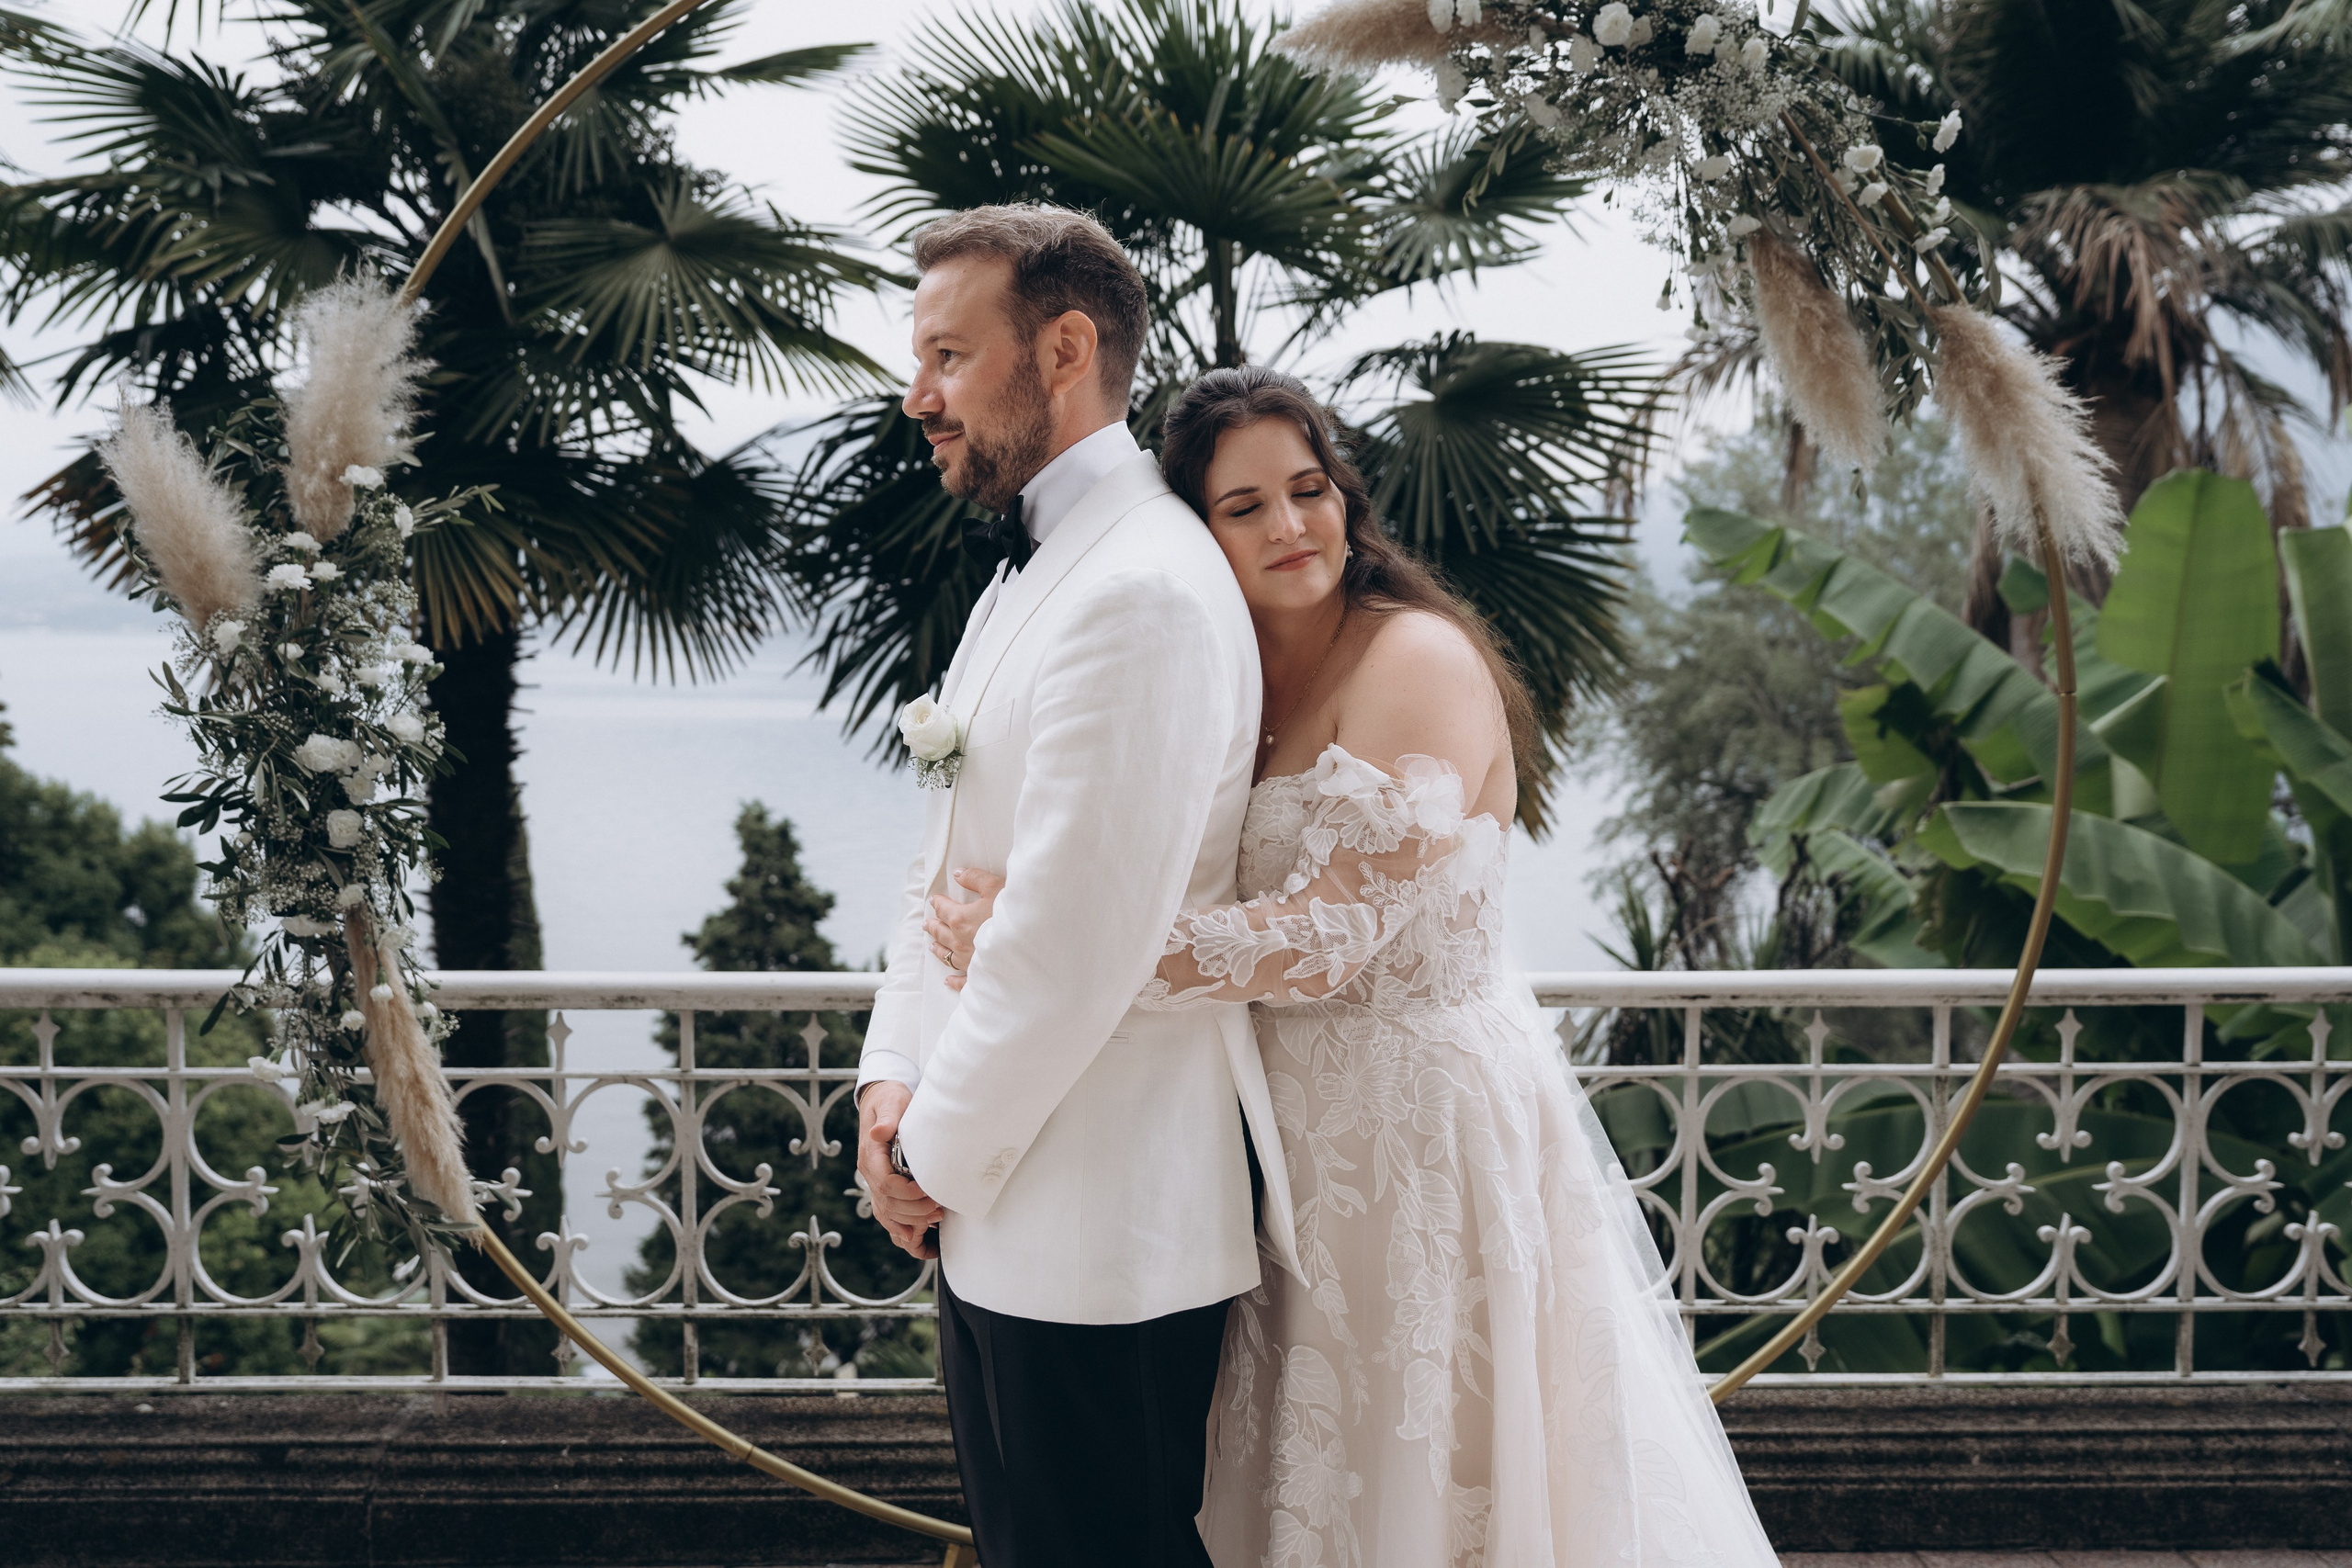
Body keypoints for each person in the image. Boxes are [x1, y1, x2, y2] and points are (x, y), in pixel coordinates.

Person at [926, 367, 1783, 1567]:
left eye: (1308, 490)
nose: (1288, 527)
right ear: (1195, 527)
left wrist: (1040, 940)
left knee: (1421, 1461)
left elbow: (1327, 936)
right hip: (1283, 1142)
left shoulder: (1416, 660)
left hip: (1416, 1132)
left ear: (1347, 498)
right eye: (1244, 508)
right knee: (1305, 1469)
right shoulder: (1237, 670)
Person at [852, 205, 1300, 1568]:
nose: (916, 397)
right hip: (999, 1216)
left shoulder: (1146, 592)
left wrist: (927, 1159)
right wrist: (885, 1087)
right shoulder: (1038, 571)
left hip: (1105, 1241)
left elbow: (1069, 943)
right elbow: (946, 864)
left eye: (946, 355)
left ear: (1062, 348)